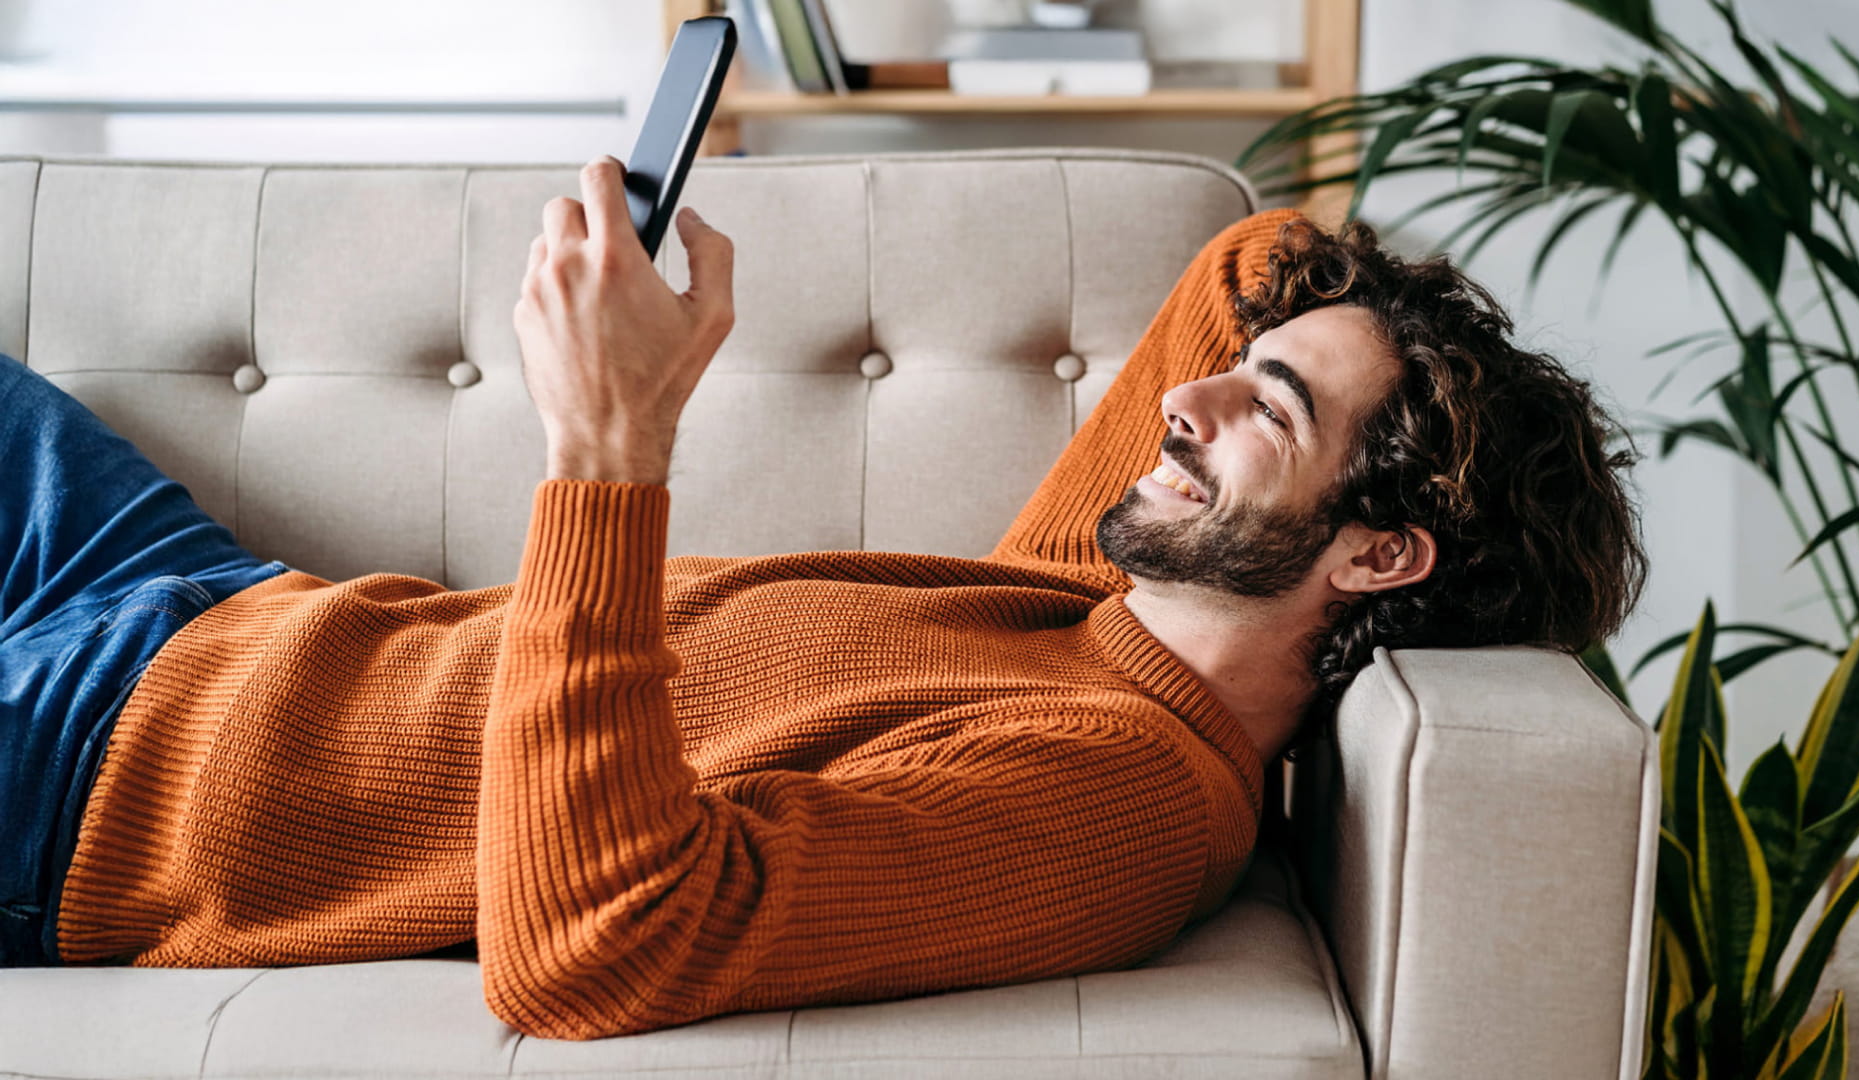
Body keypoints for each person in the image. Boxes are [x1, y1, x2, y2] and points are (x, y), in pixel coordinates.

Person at [0, 156, 1644, 1039]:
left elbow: (596, 949)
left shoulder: (1120, 801)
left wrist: (608, 445)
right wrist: (1374, 362)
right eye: (1234, 384)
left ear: (1380, 556)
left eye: (1264, 413)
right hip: (196, 600)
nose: (1188, 404)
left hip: (104, 791)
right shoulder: (1097, 601)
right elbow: (1259, 252)